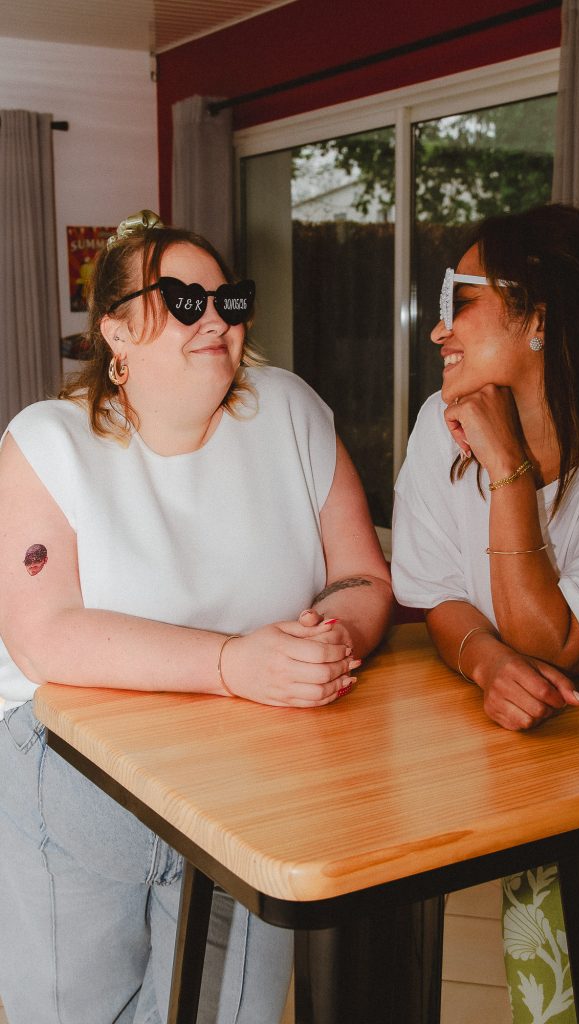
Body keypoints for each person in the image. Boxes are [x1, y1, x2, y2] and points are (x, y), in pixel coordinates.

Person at [0, 210, 392, 1024]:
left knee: (232, 1014)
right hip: (75, 772)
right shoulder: (46, 442)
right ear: (116, 330)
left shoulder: (289, 411)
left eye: (229, 300)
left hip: (253, 769)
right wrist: (231, 663)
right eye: (182, 300)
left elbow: (359, 576)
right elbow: (44, 635)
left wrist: (327, 642)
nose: (214, 317)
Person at [391, 203, 579, 1024]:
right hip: (547, 779)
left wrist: (508, 468)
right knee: (552, 1001)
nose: (437, 331)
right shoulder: (435, 427)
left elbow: (547, 642)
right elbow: (437, 596)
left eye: (460, 301)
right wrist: (483, 663)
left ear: (538, 319)